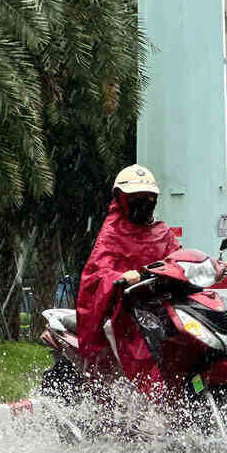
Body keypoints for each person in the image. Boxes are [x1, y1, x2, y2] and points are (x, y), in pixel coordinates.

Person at [77, 164, 180, 397]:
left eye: (148, 197)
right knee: (142, 351)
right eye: (136, 197)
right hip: (127, 310)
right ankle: (147, 404)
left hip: (162, 305)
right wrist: (120, 277)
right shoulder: (112, 233)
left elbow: (178, 258)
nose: (143, 202)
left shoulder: (161, 232)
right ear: (121, 198)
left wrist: (212, 265)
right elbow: (97, 273)